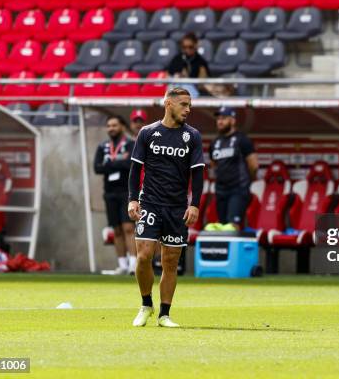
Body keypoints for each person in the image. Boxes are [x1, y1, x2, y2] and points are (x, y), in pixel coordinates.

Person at [128, 87, 205, 328]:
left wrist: (195, 205)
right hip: (149, 202)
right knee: (143, 257)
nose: (188, 109)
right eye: (183, 104)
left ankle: (164, 314)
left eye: (189, 105)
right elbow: (134, 170)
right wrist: (132, 199)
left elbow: (198, 174)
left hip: (176, 207)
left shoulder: (192, 136)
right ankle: (145, 304)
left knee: (170, 262)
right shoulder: (148, 133)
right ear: (168, 104)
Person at [94, 115, 137, 275]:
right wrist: (118, 163)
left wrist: (110, 163)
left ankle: (134, 264)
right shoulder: (102, 146)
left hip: (126, 191)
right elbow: (97, 168)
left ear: (122, 127)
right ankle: (122, 265)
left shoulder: (131, 144)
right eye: (109, 126)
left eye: (114, 125)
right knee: (116, 229)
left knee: (128, 227)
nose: (111, 128)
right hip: (110, 192)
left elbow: (130, 164)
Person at [209, 106, 258, 230]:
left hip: (238, 189)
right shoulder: (215, 142)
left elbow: (254, 165)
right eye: (218, 118)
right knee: (222, 225)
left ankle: (235, 250)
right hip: (220, 190)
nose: (220, 121)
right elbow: (213, 164)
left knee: (233, 225)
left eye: (224, 118)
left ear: (233, 120)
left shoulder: (243, 140)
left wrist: (247, 182)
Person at [168, 33, 210, 97]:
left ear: (196, 45)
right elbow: (168, 74)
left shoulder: (201, 62)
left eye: (190, 47)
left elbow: (202, 83)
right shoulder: (177, 59)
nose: (187, 50)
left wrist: (187, 78)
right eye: (184, 47)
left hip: (193, 93)